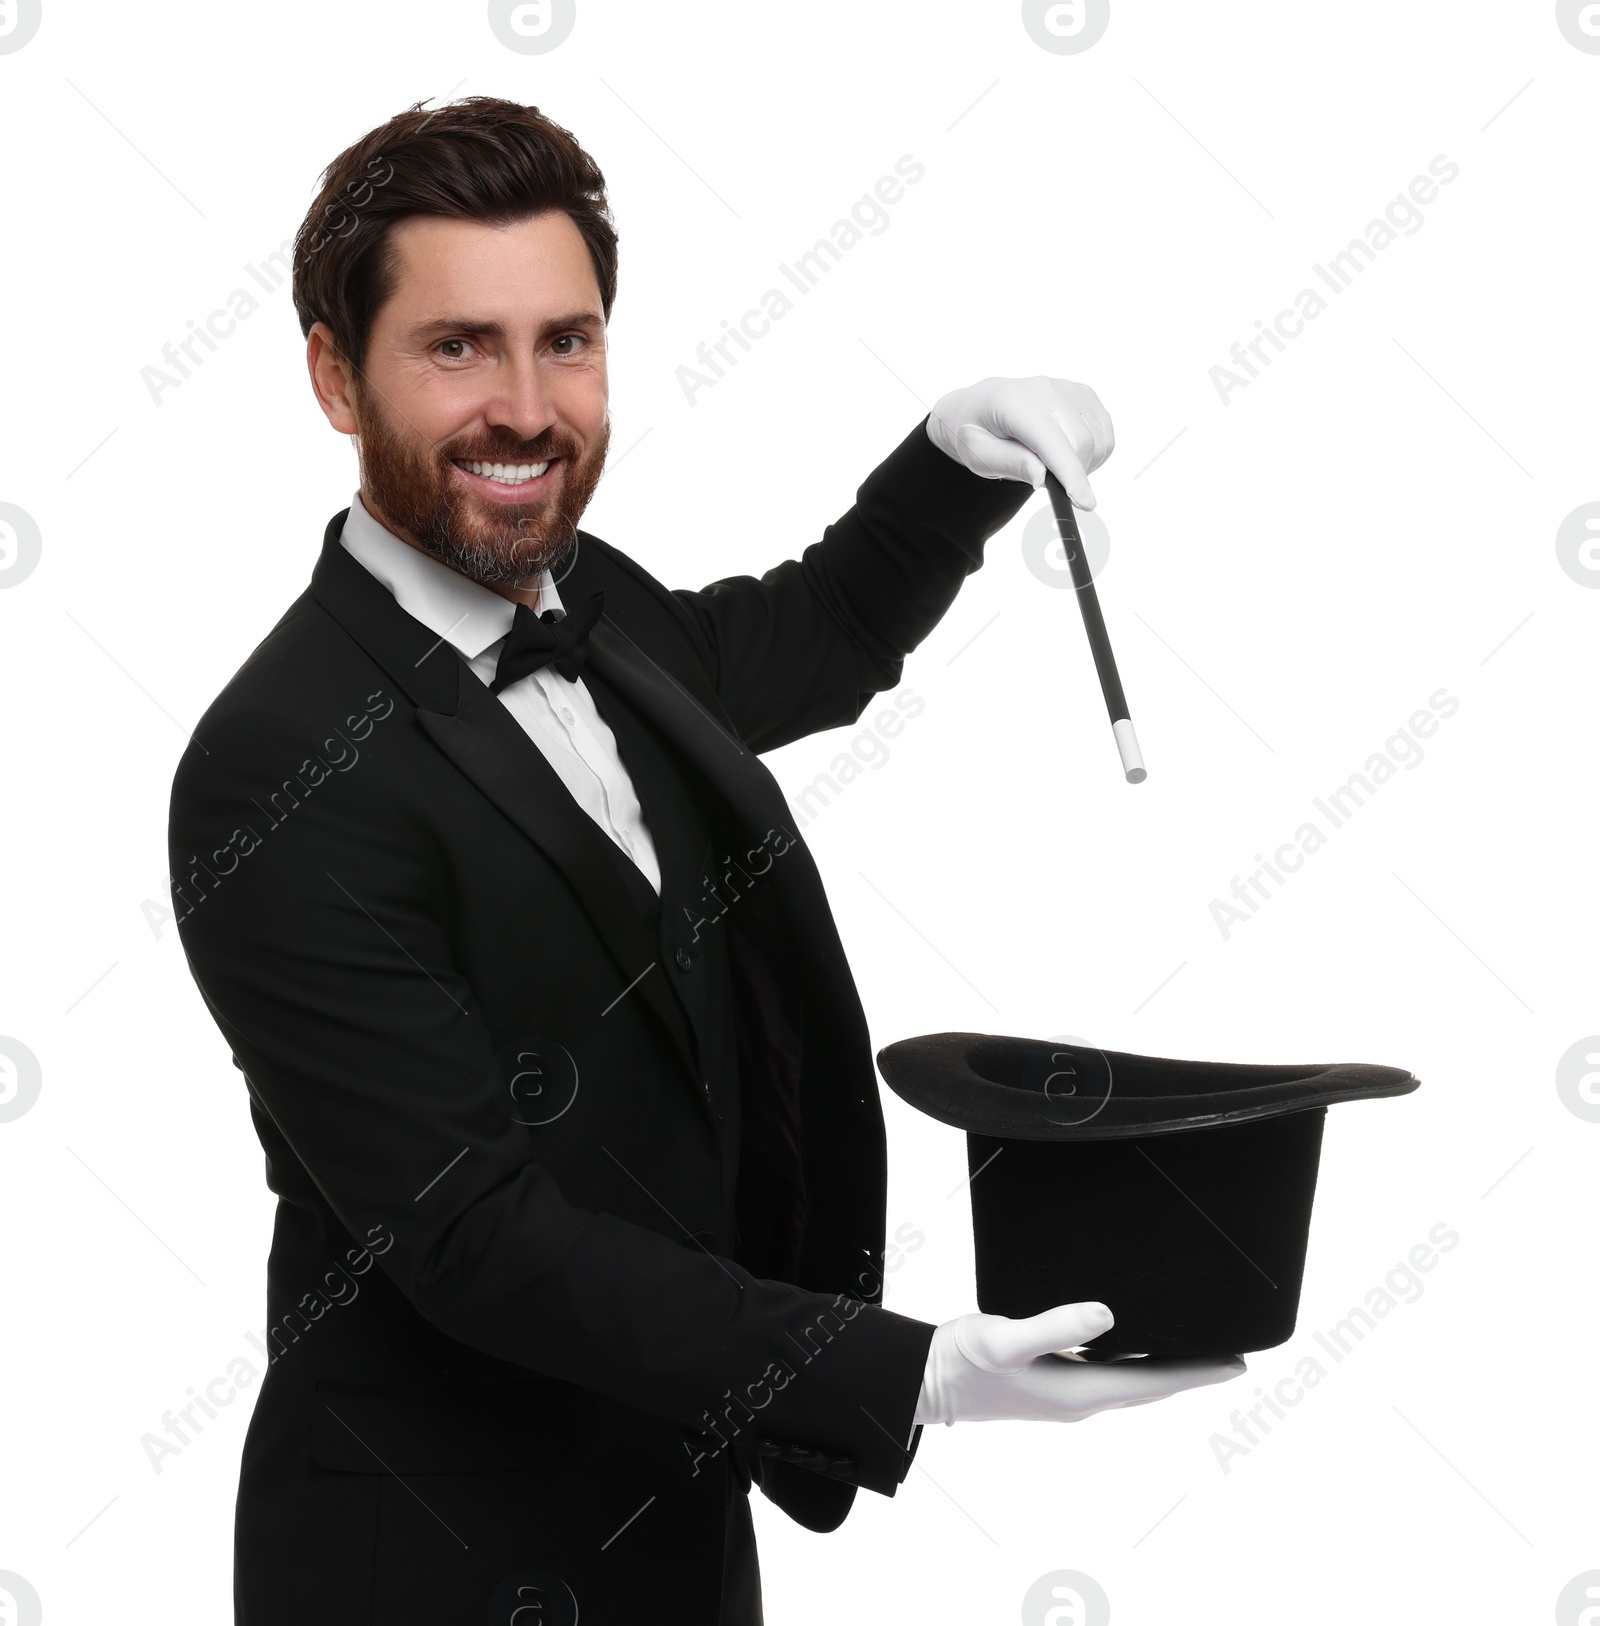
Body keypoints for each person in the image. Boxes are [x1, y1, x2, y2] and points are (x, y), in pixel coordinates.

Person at [166, 94, 1243, 1626]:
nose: (527, 406)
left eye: (568, 339)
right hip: (431, 1557)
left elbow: (807, 635)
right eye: (458, 346)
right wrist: (905, 1370)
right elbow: (475, 1238)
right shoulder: (276, 768)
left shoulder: (589, 601)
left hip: (670, 1509)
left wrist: (954, 458)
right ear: (338, 375)